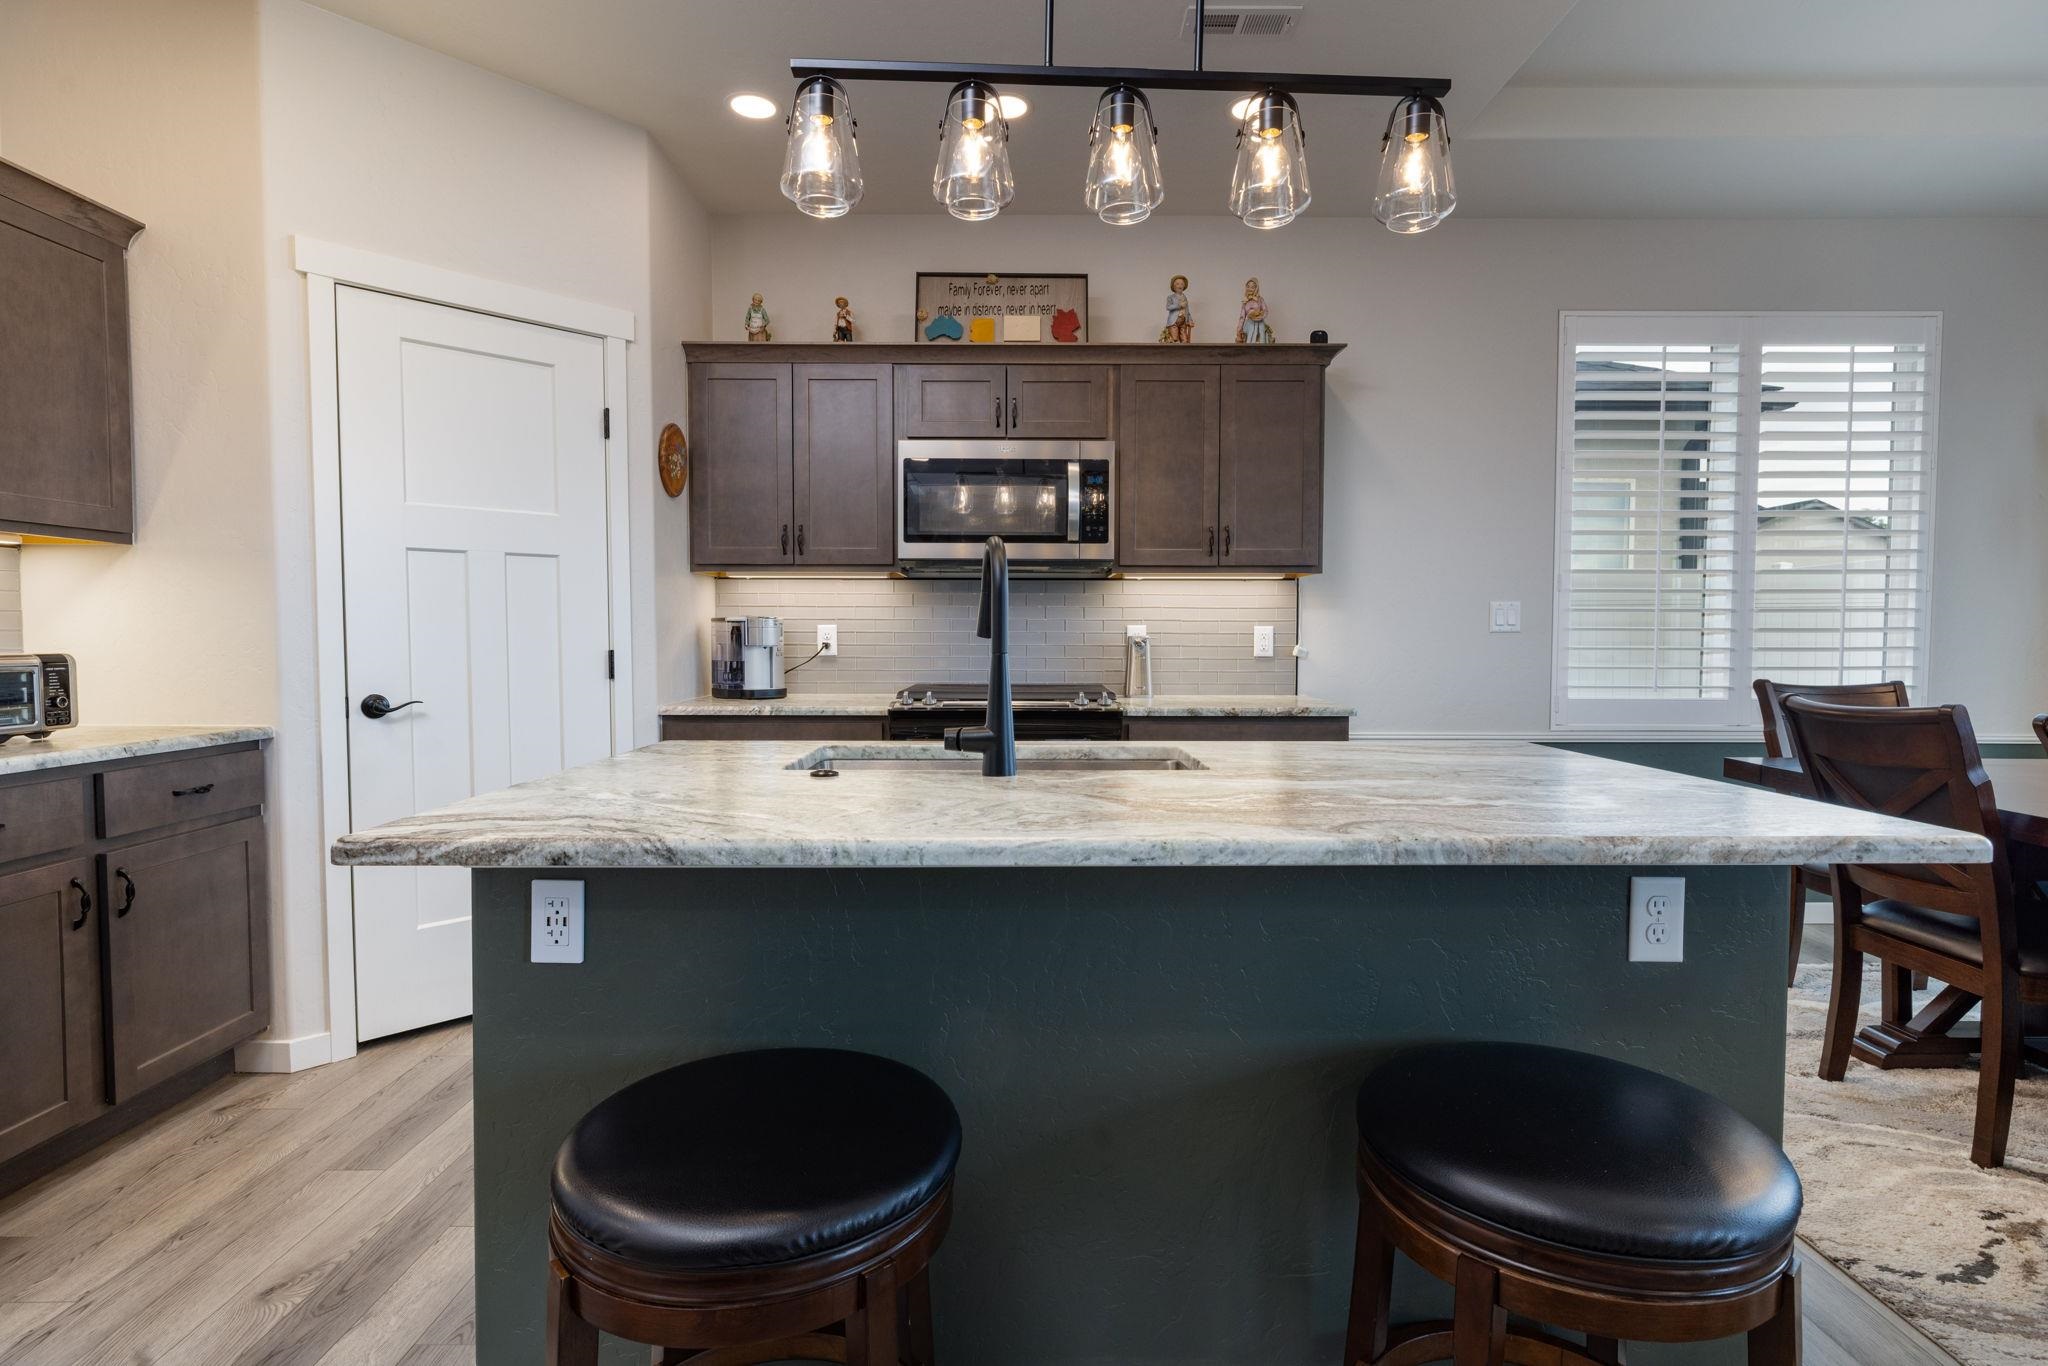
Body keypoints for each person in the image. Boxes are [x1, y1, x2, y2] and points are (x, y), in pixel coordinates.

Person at [1237, 278, 1273, 345]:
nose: (1250, 289)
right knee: (1248, 341)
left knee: (1260, 342)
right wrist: (1238, 330)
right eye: (1248, 286)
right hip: (1249, 325)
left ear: (1256, 288)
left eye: (1252, 287)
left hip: (1260, 326)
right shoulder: (1245, 301)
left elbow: (1265, 310)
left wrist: (1260, 316)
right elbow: (1242, 317)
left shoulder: (1260, 299)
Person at [1159, 275, 1193, 343]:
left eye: (1182, 284)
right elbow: (1168, 307)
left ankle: (1185, 351)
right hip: (1174, 321)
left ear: (1184, 286)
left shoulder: (1185, 298)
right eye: (1177, 284)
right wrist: (1179, 305)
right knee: (1174, 338)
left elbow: (1187, 311)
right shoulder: (1171, 297)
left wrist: (1190, 320)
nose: (1180, 285)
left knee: (1184, 339)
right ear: (1173, 286)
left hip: (1183, 321)